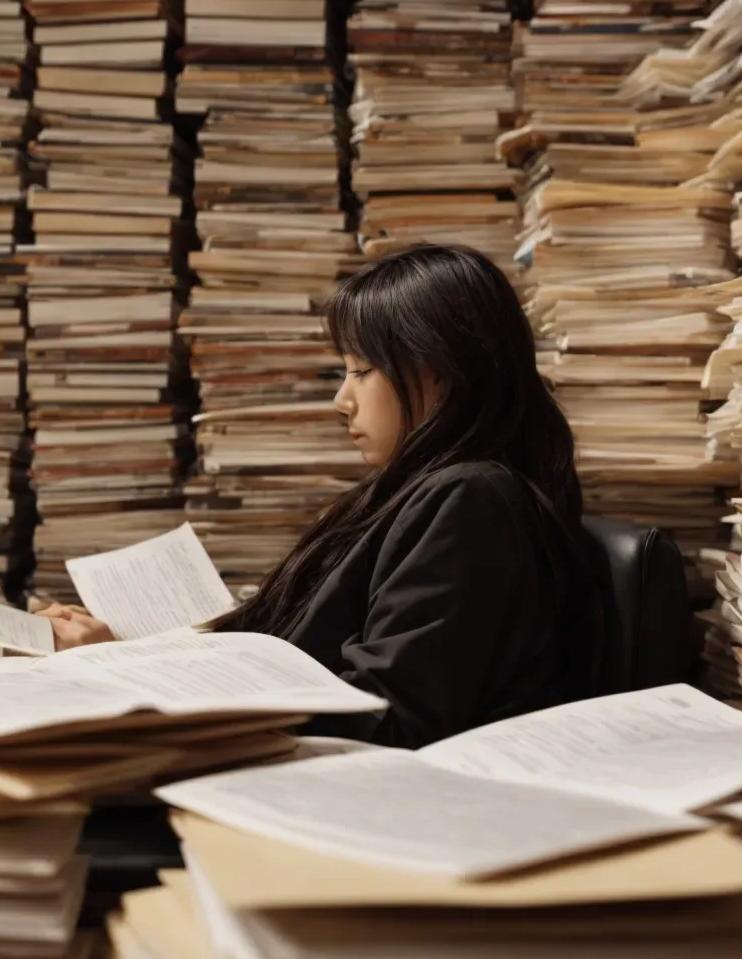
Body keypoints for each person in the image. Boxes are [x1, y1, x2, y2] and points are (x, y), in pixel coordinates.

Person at [36, 244, 606, 747]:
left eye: (361, 370)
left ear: (442, 373)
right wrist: (128, 648)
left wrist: (116, 669)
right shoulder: (416, 491)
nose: (341, 400)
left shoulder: (472, 499)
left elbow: (384, 719)